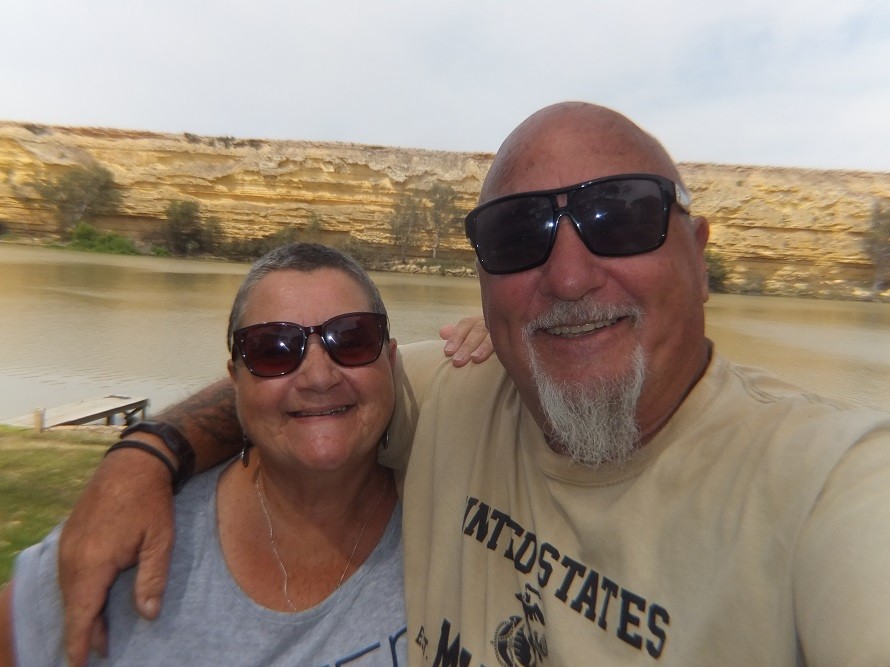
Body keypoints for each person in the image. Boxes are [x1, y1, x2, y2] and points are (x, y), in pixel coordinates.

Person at [31, 102, 890, 665]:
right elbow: (295, 390)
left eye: (621, 215)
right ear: (483, 281)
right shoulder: (456, 392)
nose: (569, 275)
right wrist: (146, 453)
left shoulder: (828, 483)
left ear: (699, 257)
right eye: (518, 236)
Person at [0, 242, 489, 666]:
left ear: (392, 360)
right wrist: (142, 453)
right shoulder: (124, 541)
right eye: (274, 349)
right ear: (234, 380)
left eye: (352, 339)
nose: (319, 376)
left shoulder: (457, 527)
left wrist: (505, 339)